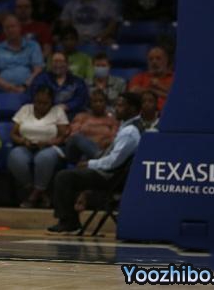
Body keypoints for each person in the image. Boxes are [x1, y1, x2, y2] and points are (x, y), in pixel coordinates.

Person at [47, 92, 142, 234]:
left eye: (121, 106)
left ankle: (68, 222)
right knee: (73, 163)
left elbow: (113, 162)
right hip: (113, 172)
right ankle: (71, 220)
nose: (116, 108)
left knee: (64, 177)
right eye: (116, 105)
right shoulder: (129, 126)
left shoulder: (130, 131)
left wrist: (90, 164)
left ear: (133, 109)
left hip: (112, 177)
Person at [8, 85, 69, 208]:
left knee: (43, 158)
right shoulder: (25, 109)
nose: (41, 106)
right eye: (38, 102)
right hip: (26, 145)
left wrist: (48, 143)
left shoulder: (58, 111)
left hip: (49, 147)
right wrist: (23, 141)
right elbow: (13, 134)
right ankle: (37, 192)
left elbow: (63, 136)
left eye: (45, 103)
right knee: (15, 157)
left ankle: (33, 197)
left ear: (51, 102)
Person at [0, 15, 44, 92]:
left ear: (20, 27)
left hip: (29, 88)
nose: (10, 30)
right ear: (4, 30)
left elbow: (38, 70)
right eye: (7, 27)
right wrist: (7, 86)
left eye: (13, 26)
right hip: (3, 88)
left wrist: (25, 85)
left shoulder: (33, 46)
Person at [62, 89, 119, 164]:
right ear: (90, 103)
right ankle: (98, 156)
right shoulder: (82, 116)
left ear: (105, 103)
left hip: (102, 150)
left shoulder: (112, 120)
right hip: (77, 152)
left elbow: (114, 138)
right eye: (95, 101)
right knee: (76, 137)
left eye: (101, 101)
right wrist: (89, 144)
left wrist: (103, 143)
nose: (98, 104)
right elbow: (73, 135)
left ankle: (95, 156)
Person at [28, 51, 88, 120]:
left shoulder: (77, 81)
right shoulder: (41, 78)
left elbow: (81, 99)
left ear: (67, 64)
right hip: (45, 113)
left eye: (61, 61)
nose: (58, 64)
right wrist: (51, 107)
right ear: (51, 64)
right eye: (55, 61)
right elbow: (34, 95)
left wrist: (67, 106)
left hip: (70, 114)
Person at [128, 46, 174, 110]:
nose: (154, 62)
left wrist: (160, 85)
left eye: (158, 58)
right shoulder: (139, 77)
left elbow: (178, 96)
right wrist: (153, 90)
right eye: (151, 59)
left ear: (166, 60)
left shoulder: (175, 78)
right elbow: (132, 92)